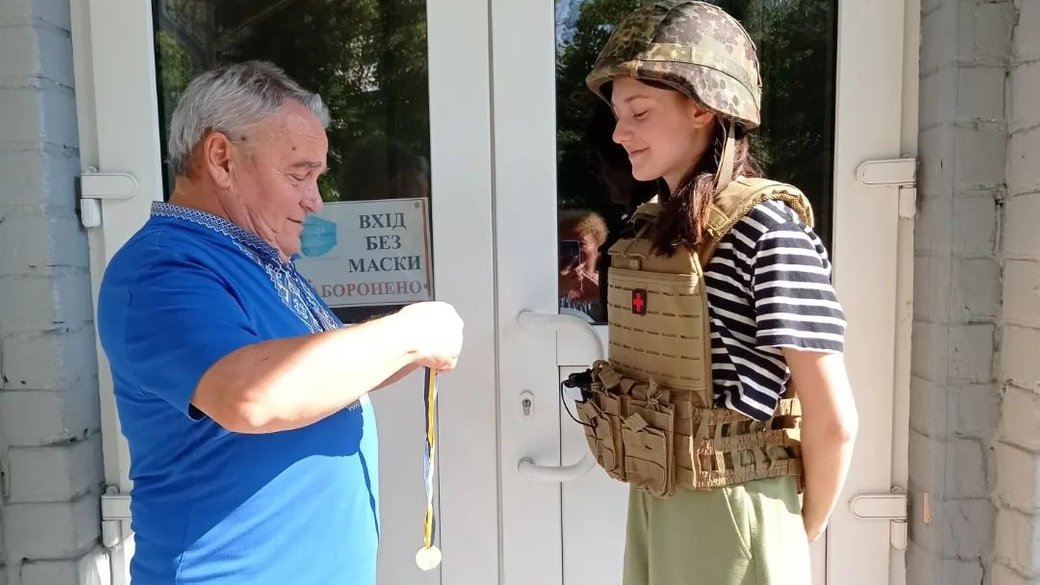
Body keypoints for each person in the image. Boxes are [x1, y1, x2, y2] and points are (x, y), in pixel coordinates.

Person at [96, 61, 463, 585]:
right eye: (299, 174)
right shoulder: (163, 268)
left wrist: (413, 346)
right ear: (222, 159)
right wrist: (407, 334)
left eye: (317, 177)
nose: (316, 200)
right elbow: (253, 395)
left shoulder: (254, 258)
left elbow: (311, 379)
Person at [580, 3, 859, 584]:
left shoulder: (769, 232)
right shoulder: (654, 228)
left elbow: (833, 420)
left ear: (702, 108)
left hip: (736, 507)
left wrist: (790, 534)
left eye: (639, 112)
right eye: (617, 115)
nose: (620, 133)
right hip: (657, 496)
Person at [558, 209, 609, 321]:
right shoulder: (547, 287)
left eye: (580, 244)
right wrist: (557, 291)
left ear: (597, 248)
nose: (572, 253)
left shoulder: (612, 285)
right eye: (565, 246)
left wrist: (603, 296)